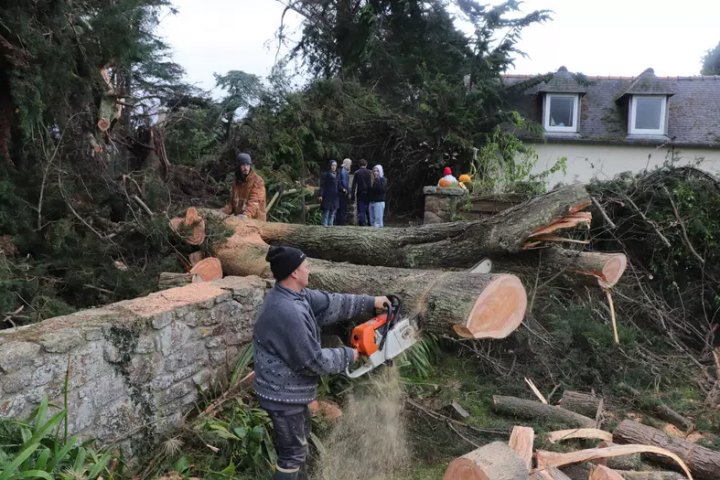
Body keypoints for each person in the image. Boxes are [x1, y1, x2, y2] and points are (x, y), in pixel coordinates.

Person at [253, 245, 389, 480]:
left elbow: (331, 303)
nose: (309, 269)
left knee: (298, 449)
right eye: (306, 265)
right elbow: (312, 361)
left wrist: (372, 302)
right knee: (292, 455)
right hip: (282, 395)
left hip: (290, 392)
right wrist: (350, 355)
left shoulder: (296, 296)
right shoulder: (288, 311)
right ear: (294, 272)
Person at [223, 152, 267, 220]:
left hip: (255, 221)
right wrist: (223, 212)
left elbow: (255, 202)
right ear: (238, 166)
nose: (246, 168)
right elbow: (232, 203)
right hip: (240, 220)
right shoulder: (236, 182)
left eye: (248, 165)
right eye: (243, 165)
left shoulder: (257, 181)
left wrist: (246, 215)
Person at [350, 158, 372, 226]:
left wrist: (352, 195)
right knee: (368, 209)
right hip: (369, 193)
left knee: (361, 209)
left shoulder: (357, 173)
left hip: (360, 193)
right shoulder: (370, 172)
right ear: (366, 164)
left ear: (359, 165)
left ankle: (362, 223)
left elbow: (354, 185)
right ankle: (370, 223)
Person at [318, 159, 340, 226]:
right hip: (327, 195)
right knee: (326, 211)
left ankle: (331, 225)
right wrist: (320, 195)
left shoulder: (337, 175)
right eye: (332, 165)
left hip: (334, 196)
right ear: (330, 166)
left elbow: (338, 185)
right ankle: (324, 225)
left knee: (332, 212)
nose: (334, 167)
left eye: (335, 165)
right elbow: (322, 185)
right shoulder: (325, 174)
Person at [334, 158, 352, 225]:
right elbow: (341, 183)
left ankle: (340, 223)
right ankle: (340, 224)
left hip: (342, 193)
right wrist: (345, 189)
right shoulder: (342, 171)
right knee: (341, 210)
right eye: (350, 164)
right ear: (347, 164)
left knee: (341, 210)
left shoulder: (342, 171)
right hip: (341, 193)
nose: (350, 166)